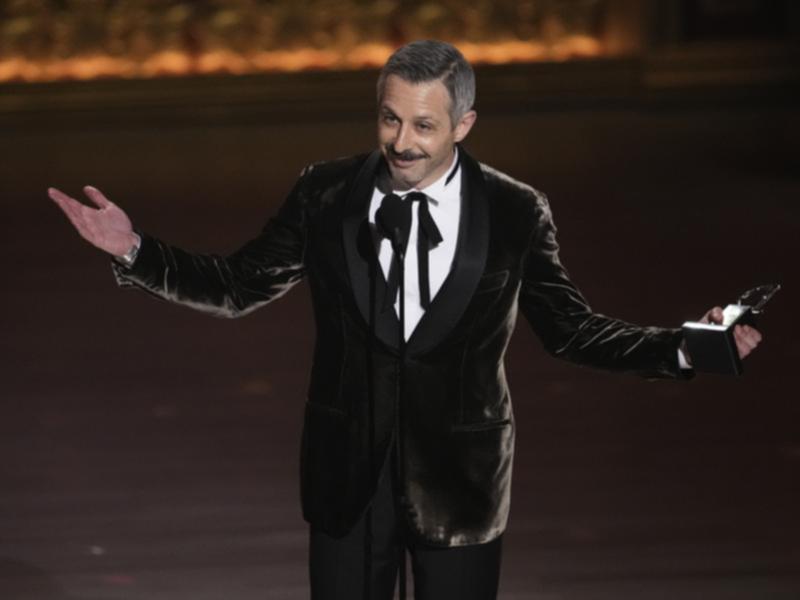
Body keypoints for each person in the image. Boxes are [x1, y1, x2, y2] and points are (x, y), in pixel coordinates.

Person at [49, 40, 762, 600]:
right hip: (347, 479)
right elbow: (238, 285)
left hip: (460, 484)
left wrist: (687, 349)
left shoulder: (514, 211)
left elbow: (570, 330)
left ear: (464, 123)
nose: (402, 140)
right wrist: (136, 251)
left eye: (424, 124)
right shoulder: (326, 192)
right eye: (389, 118)